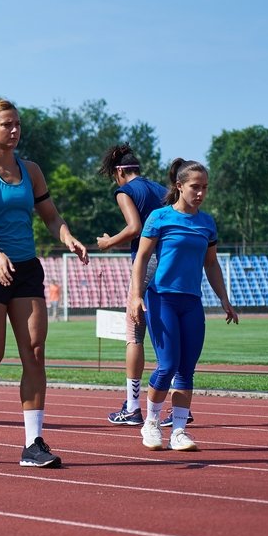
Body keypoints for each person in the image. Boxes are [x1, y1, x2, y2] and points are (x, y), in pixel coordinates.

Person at [0, 99, 88, 468]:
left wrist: (68, 237)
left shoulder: (32, 170)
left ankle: (33, 443)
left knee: (36, 352)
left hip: (26, 267)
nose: (14, 131)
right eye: (7, 125)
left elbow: (50, 215)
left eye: (17, 125)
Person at [130, 159, 238, 452]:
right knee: (167, 365)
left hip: (191, 302)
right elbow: (141, 258)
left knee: (186, 369)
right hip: (161, 297)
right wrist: (135, 295)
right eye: (195, 187)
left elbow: (212, 263)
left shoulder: (206, 222)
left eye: (205, 187)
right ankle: (150, 423)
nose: (201, 193)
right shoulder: (160, 217)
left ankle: (178, 431)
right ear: (179, 186)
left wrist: (224, 299)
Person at [96, 144, 168, 427]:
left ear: (119, 172)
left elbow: (134, 228)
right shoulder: (161, 189)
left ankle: (133, 406)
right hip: (171, 261)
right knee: (167, 334)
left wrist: (107, 242)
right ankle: (177, 407)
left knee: (134, 334)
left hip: (147, 262)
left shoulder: (126, 191)